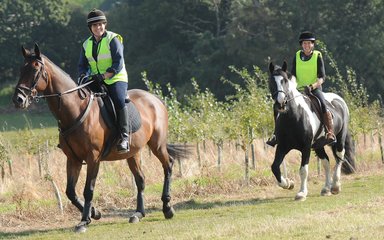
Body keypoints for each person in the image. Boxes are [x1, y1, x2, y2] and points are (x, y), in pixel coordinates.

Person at [266, 31, 336, 147]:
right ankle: (276, 134)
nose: (306, 46)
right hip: (298, 89)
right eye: (304, 43)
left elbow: (322, 77)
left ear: (313, 44)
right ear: (301, 45)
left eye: (309, 43)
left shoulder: (317, 56)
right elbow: (293, 74)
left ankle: (329, 132)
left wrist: (312, 86)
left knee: (323, 104)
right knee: (278, 104)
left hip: (314, 89)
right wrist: (292, 86)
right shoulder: (297, 55)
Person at [78, 9, 130, 153]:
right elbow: (82, 65)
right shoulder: (86, 44)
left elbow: (118, 62)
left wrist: (105, 76)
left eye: (101, 24)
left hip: (116, 78)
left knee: (119, 100)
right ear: (90, 28)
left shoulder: (113, 39)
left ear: (105, 25)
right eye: (95, 25)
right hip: (96, 79)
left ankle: (124, 137)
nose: (98, 27)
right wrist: (82, 76)